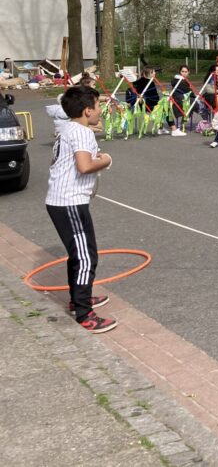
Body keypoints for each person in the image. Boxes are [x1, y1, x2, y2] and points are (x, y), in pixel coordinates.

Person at [45, 86, 116, 332]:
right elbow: (84, 166)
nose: (100, 111)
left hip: (60, 201)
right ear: (87, 111)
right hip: (70, 201)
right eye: (98, 106)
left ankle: (79, 299)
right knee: (87, 256)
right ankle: (85, 314)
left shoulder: (67, 129)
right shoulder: (83, 133)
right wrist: (106, 160)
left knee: (79, 253)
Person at [168, 65, 192, 136]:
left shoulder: (186, 81)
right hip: (177, 100)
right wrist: (190, 90)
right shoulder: (177, 81)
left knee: (194, 103)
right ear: (180, 72)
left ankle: (182, 123)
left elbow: (189, 92)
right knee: (195, 104)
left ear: (188, 72)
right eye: (182, 71)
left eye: (186, 72)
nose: (184, 73)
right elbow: (188, 92)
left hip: (184, 99)